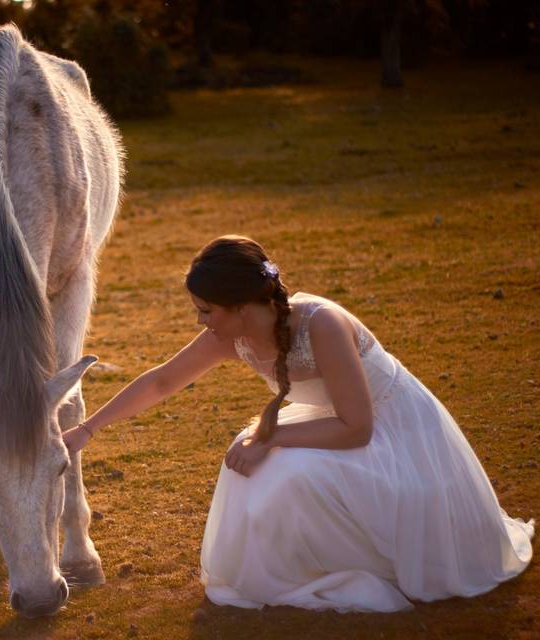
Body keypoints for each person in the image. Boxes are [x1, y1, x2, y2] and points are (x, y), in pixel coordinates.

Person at [63, 235, 534, 612]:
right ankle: (310, 565)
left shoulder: (321, 325)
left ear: (242, 306)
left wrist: (269, 437)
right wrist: (88, 429)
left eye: (206, 310)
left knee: (277, 462)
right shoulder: (233, 335)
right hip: (329, 421)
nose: (201, 321)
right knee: (248, 461)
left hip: (392, 430)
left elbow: (358, 428)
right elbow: (162, 381)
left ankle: (365, 559)